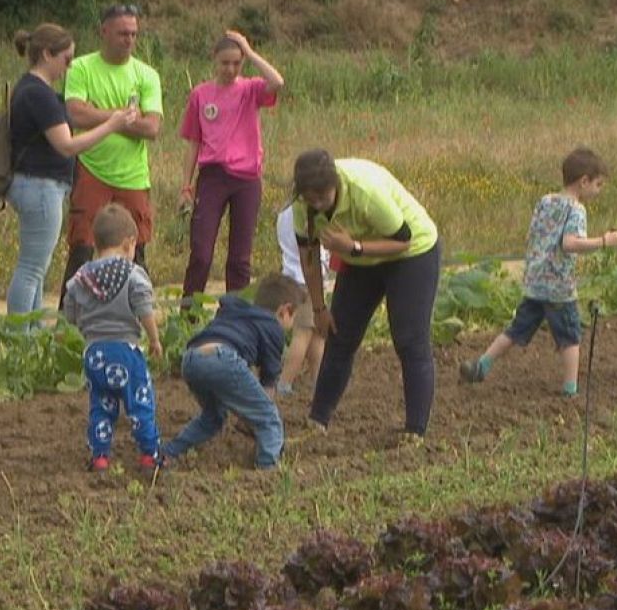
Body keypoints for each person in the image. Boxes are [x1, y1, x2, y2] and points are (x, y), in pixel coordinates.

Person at [289, 149, 441, 440]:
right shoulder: (302, 205)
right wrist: (319, 308)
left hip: (411, 253)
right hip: (359, 259)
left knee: (410, 339)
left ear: (335, 185)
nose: (317, 206)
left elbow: (403, 241)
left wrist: (355, 247)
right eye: (311, 199)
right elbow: (308, 256)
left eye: (323, 198)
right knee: (339, 335)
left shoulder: (364, 192)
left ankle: (415, 430)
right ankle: (317, 422)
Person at [460, 148, 617, 396]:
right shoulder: (577, 210)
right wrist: (604, 241)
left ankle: (481, 365)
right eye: (598, 184)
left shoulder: (545, 201)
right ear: (584, 182)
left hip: (535, 282)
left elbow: (531, 236)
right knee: (570, 337)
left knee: (516, 329)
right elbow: (569, 243)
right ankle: (570, 389)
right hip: (559, 286)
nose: (599, 191)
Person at [5, 24, 137, 317]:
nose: (69, 66)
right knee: (31, 267)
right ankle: (18, 336)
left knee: (37, 267)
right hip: (40, 186)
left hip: (37, 185)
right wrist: (111, 126)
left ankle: (31, 330)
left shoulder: (31, 89)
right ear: (47, 55)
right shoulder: (38, 94)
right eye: (66, 59)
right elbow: (66, 145)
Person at [60, 4, 163, 300]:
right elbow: (76, 114)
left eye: (133, 34)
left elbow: (152, 128)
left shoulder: (147, 74)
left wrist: (103, 118)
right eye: (122, 33)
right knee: (82, 246)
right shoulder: (81, 67)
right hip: (92, 168)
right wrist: (121, 118)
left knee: (136, 247)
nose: (128, 39)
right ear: (103, 32)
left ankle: (139, 313)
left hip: (133, 175)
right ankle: (68, 318)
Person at [177, 31, 283, 301]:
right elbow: (193, 142)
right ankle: (189, 313)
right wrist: (186, 185)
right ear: (214, 59)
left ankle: (235, 314)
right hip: (212, 176)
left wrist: (249, 50)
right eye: (225, 63)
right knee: (201, 252)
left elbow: (277, 81)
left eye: (237, 63)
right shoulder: (201, 94)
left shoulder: (250, 89)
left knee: (240, 257)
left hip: (246, 179)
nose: (230, 69)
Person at [163, 272, 303, 470]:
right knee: (268, 418)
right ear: (284, 311)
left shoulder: (236, 311)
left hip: (191, 358)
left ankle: (168, 453)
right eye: (293, 318)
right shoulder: (273, 327)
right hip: (223, 359)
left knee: (213, 418)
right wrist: (255, 416)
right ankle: (268, 470)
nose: (291, 326)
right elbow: (269, 383)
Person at [62, 203, 164, 472]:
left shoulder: (80, 278)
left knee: (101, 406)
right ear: (130, 243)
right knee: (140, 403)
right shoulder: (133, 275)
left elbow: (70, 314)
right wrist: (154, 339)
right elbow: (144, 308)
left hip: (95, 354)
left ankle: (100, 457)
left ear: (95, 241)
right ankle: (149, 455)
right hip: (126, 353)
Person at [274, 204, 330, 396]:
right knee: (303, 334)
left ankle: (319, 381)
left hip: (293, 276)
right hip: (306, 280)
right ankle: (284, 382)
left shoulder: (283, 215)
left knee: (317, 335)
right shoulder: (308, 214)